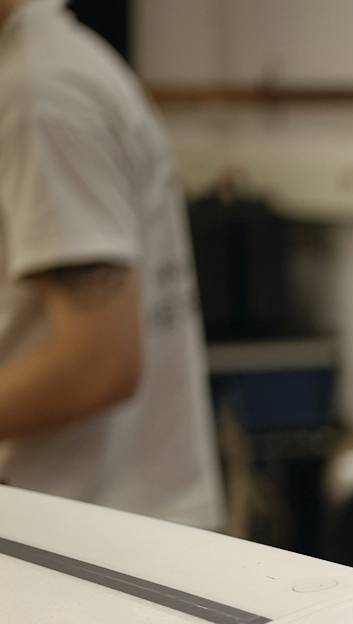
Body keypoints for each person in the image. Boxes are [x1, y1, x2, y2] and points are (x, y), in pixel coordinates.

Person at [0, 0, 222, 528]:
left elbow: (96, 365)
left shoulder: (38, 96)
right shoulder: (48, 67)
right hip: (106, 522)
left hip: (94, 532)